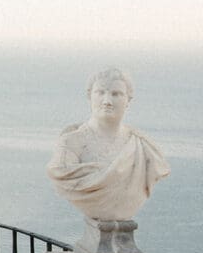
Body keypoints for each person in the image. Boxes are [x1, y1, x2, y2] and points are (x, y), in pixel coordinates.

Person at [46, 68, 169, 222]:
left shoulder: (143, 147)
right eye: (100, 93)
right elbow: (60, 171)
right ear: (89, 96)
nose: (107, 101)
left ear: (128, 100)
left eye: (116, 94)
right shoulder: (70, 143)